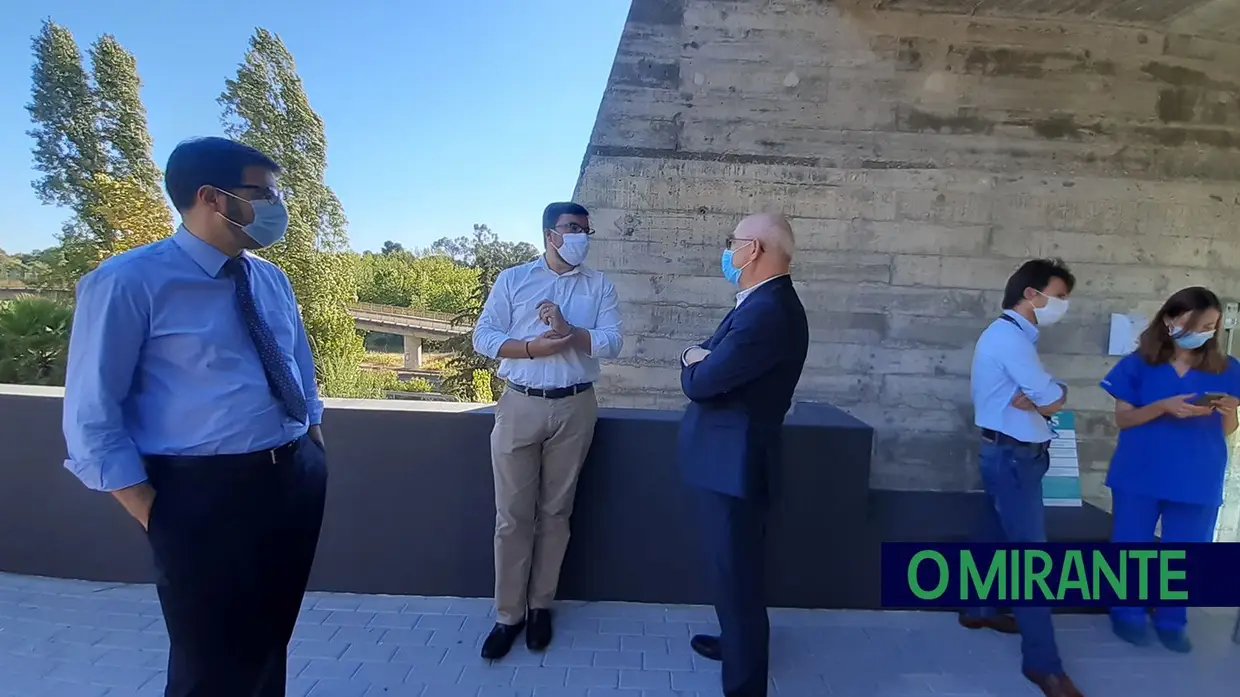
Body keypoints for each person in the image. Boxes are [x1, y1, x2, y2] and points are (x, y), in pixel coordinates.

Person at [61, 136, 328, 697]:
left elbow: (298, 364)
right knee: (209, 660)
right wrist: (160, 516)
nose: (277, 205)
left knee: (266, 642)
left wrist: (313, 439)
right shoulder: (128, 282)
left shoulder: (270, 279)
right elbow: (91, 414)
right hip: (201, 496)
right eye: (264, 192)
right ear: (212, 197)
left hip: (291, 479)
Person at [471, 201, 624, 659]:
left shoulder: (599, 285)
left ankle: (540, 607)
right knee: (512, 516)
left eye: (586, 229)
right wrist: (531, 348)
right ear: (549, 234)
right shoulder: (514, 279)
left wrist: (571, 330)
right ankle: (507, 615)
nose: (582, 236)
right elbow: (484, 337)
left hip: (576, 407)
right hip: (520, 404)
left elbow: (613, 342)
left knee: (556, 513)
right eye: (573, 228)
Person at [676, 213, 808, 697]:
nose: (728, 250)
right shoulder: (758, 303)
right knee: (729, 573)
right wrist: (702, 358)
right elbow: (710, 358)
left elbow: (703, 380)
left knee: (739, 582)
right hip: (725, 463)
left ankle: (745, 683)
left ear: (753, 250)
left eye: (732, 242)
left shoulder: (769, 311)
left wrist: (695, 362)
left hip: (735, 468)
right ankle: (735, 644)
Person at [963, 258, 1083, 697]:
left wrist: (1040, 397)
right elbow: (1051, 398)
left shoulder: (1009, 336)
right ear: (1031, 294)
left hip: (1011, 455)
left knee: (994, 535)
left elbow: (1039, 397)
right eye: (1060, 296)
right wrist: (1053, 395)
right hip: (1013, 457)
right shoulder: (1010, 339)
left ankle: (978, 607)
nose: (1063, 305)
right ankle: (1044, 666)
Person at [1100, 286, 1239, 652]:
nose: (1205, 332)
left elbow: (1228, 430)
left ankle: (1171, 618)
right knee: (1133, 546)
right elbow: (1124, 420)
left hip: (1197, 473)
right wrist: (1162, 407)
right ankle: (1127, 613)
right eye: (1196, 324)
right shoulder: (1137, 365)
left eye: (1211, 325)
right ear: (1169, 319)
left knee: (1186, 552)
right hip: (1140, 470)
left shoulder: (1227, 370)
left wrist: (1229, 414)